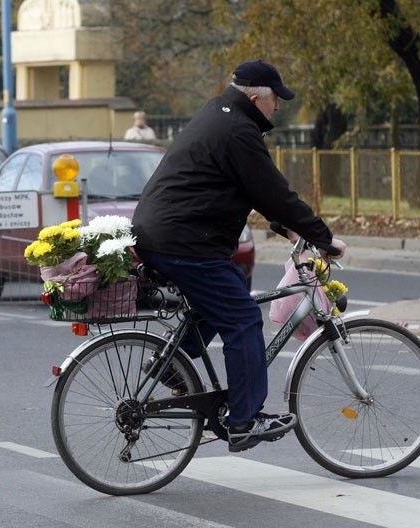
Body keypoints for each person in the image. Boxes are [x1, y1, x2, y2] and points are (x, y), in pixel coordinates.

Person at [132, 59, 346, 453]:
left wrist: (288, 228)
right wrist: (324, 238)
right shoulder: (237, 129)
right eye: (275, 100)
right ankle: (245, 420)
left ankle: (169, 365)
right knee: (244, 319)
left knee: (220, 302)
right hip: (184, 240)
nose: (278, 108)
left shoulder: (221, 115)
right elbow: (273, 191)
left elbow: (245, 188)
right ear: (254, 97)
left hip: (169, 234)